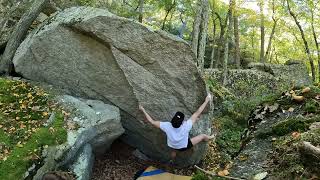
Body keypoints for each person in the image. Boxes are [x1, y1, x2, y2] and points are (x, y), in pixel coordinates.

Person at [138, 94, 214, 160]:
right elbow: (197, 112)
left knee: (174, 150)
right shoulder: (186, 126)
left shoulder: (166, 126)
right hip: (184, 146)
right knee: (202, 136)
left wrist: (143, 110)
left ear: (172, 120)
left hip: (173, 145)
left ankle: (172, 159)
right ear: (181, 123)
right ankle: (210, 138)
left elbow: (151, 121)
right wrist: (206, 100)